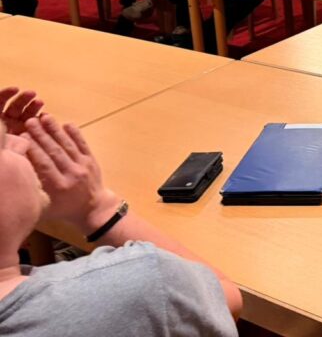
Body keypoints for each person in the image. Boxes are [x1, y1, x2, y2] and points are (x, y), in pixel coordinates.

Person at [0, 88, 241, 335]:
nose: (21, 143)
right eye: (4, 145)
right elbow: (224, 297)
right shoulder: (147, 282)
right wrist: (98, 208)